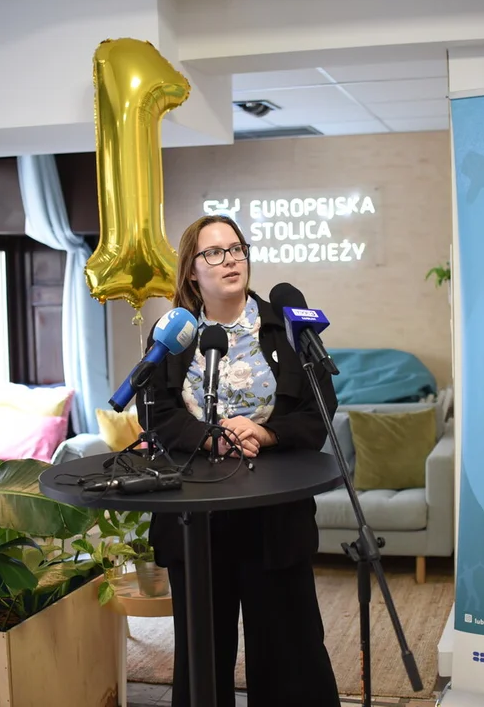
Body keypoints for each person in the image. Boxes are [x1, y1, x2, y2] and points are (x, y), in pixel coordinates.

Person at [135, 214, 341, 707]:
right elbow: (155, 413)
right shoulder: (172, 333)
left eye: (236, 249)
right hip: (196, 518)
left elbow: (319, 411)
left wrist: (266, 433)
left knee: (290, 653)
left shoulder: (286, 325)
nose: (230, 260)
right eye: (214, 252)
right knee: (203, 656)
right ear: (192, 271)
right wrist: (212, 440)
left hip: (275, 513)